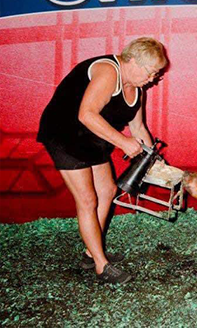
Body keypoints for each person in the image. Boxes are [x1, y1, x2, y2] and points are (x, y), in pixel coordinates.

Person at [37, 37, 168, 284]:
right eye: (151, 72)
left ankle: (90, 252)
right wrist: (123, 143)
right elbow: (86, 114)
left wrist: (154, 160)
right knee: (87, 199)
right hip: (63, 133)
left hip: (91, 137)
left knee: (107, 191)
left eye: (156, 74)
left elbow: (139, 128)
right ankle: (101, 265)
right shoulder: (108, 71)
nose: (153, 79)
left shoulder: (138, 89)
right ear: (132, 61)